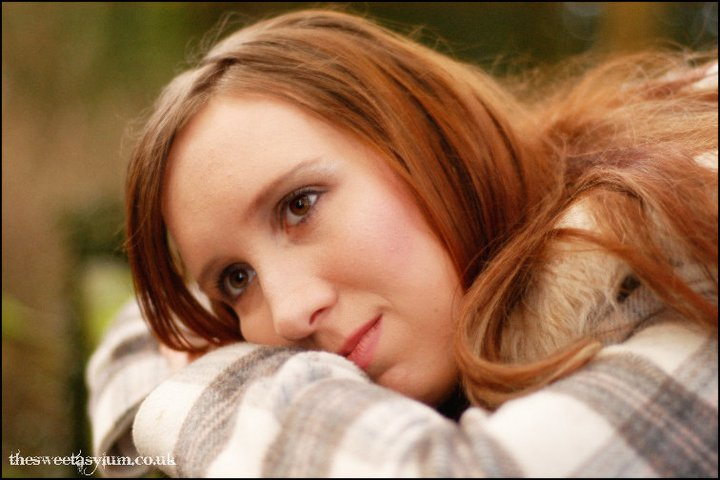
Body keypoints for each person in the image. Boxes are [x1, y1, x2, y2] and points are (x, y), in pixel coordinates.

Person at [86, 9, 718, 477]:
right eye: (236, 279)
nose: (288, 314)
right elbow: (140, 330)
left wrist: (223, 394)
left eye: (300, 205)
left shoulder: (669, 256)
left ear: (423, 141)